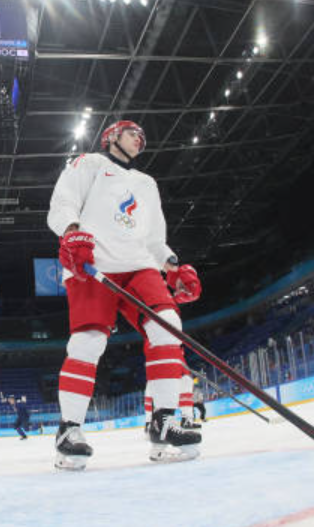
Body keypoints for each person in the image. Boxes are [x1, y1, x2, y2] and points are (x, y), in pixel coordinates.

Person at [48, 119, 202, 470]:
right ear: (112, 136)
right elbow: (63, 203)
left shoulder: (147, 184)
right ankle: (69, 430)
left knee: (168, 325)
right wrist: (72, 234)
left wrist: (173, 266)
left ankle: (164, 420)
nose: (140, 139)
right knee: (88, 342)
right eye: (133, 133)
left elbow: (154, 239)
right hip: (91, 261)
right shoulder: (89, 164)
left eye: (142, 137)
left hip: (138, 265)